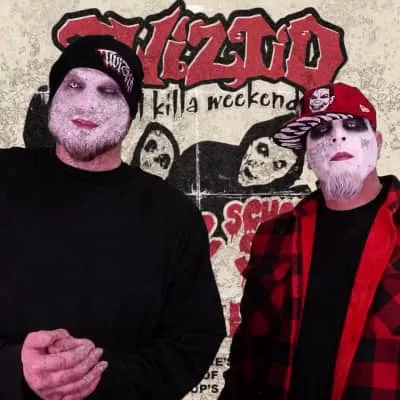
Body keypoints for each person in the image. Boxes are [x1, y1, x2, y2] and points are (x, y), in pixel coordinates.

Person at [0, 35, 226, 400]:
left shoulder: (173, 215)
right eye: (74, 85)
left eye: (109, 91)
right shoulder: (4, 179)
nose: (88, 103)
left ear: (130, 113)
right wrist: (13, 370)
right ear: (53, 97)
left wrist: (93, 378)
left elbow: (194, 339)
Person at [219, 82, 400, 399]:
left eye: (352, 125)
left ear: (378, 142)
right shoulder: (274, 237)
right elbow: (248, 359)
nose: (337, 137)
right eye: (320, 130)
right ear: (308, 156)